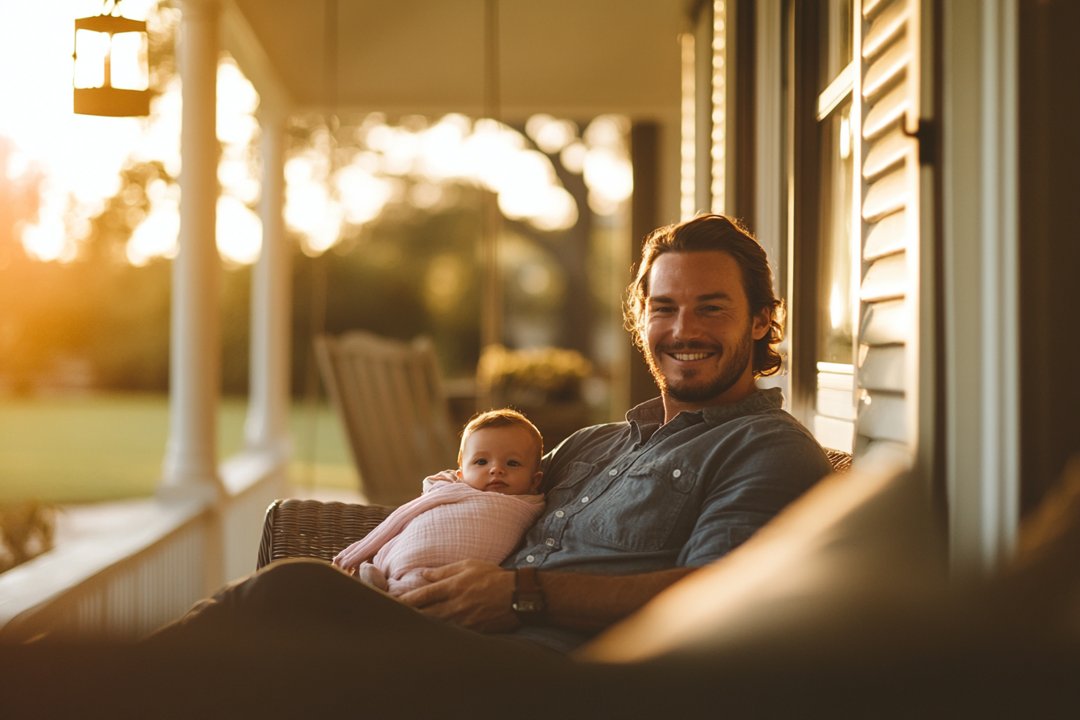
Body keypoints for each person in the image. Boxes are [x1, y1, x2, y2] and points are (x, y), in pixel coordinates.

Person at [151, 213, 833, 657]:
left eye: (711, 308)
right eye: (664, 308)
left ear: (761, 322)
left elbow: (718, 598)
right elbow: (486, 501)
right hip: (445, 632)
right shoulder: (597, 443)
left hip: (556, 677)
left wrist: (522, 595)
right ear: (640, 320)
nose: (683, 329)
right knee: (284, 613)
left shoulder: (766, 449)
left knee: (283, 599)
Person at [331, 409, 545, 596]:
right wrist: (354, 555)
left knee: (419, 585)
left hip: (456, 574)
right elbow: (402, 518)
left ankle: (391, 592)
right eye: (481, 461)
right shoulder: (448, 490)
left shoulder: (527, 507)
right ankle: (381, 578)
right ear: (461, 474)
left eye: (513, 463)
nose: (496, 469)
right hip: (418, 550)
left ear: (534, 481)